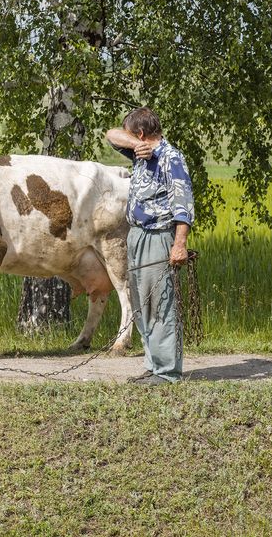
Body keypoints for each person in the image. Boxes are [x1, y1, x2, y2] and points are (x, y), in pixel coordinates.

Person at [106, 107, 195, 385]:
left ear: (142, 132)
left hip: (159, 236)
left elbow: (184, 206)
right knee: (142, 302)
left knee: (161, 303)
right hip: (137, 235)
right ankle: (153, 364)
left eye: (133, 134)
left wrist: (179, 245)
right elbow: (111, 135)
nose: (129, 138)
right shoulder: (140, 153)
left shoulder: (171, 158)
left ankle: (167, 372)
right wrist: (136, 145)